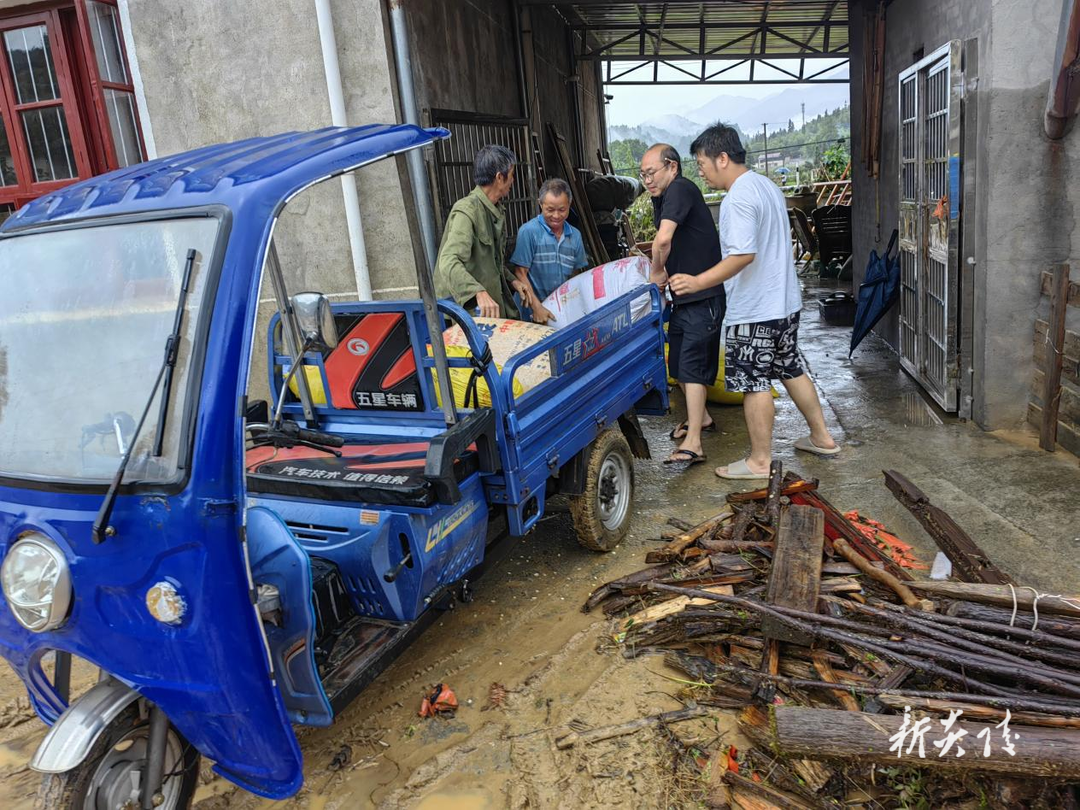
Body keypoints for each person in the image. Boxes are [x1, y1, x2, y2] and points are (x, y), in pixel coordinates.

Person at [671, 124, 839, 480]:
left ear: (722, 158)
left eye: (702, 163)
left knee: (753, 381)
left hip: (756, 308)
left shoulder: (738, 198)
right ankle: (822, 437)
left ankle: (760, 461)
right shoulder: (767, 186)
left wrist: (697, 281)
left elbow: (742, 255)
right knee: (790, 367)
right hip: (785, 302)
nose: (700, 171)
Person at [640, 143, 724, 466]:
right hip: (684, 298)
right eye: (643, 175)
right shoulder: (660, 198)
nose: (647, 180)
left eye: (651, 172)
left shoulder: (680, 189)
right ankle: (699, 418)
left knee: (692, 365)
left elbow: (662, 240)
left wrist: (656, 271)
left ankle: (695, 444)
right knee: (678, 364)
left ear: (672, 167)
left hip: (704, 297)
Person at [435, 145, 530, 319]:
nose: (513, 180)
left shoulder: (495, 210)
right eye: (511, 174)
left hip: (489, 312)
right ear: (500, 178)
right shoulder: (467, 211)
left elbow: (492, 264)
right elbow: (448, 261)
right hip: (464, 316)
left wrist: (512, 281)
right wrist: (477, 291)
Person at [510, 178, 588, 323]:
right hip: (530, 313)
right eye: (550, 210)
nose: (556, 216)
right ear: (540, 204)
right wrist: (537, 307)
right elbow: (520, 272)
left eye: (562, 210)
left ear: (569, 204)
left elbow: (575, 275)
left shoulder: (575, 236)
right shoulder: (529, 232)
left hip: (560, 311)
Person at [584, 171, 644, 259]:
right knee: (609, 225)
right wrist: (617, 218)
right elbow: (621, 206)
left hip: (590, 189)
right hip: (598, 196)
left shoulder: (632, 181)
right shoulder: (635, 191)